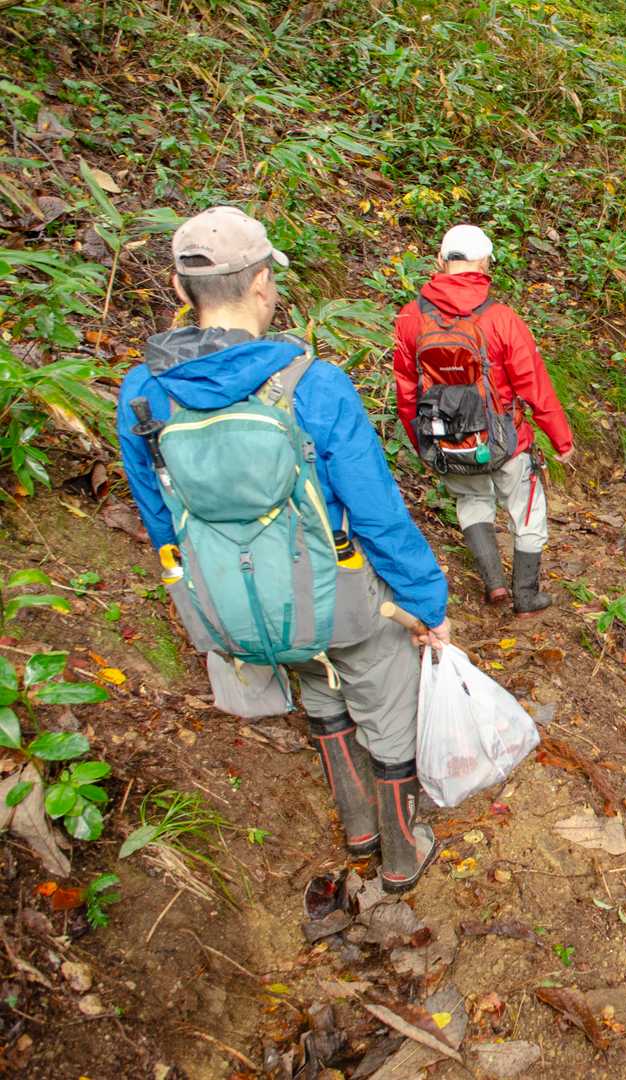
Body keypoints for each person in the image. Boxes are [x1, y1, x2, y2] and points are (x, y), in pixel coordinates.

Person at [117, 206, 449, 892]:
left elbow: (160, 516)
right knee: (385, 696)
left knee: (313, 675)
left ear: (181, 290)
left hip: (240, 604)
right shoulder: (311, 385)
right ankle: (399, 854)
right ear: (263, 283)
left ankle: (357, 827)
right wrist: (425, 600)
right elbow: (378, 513)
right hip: (338, 596)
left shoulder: (143, 395)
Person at [393, 224, 574, 617]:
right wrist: (561, 439)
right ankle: (526, 596)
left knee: (472, 500)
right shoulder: (501, 319)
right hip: (505, 440)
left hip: (447, 440)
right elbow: (534, 384)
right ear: (485, 264)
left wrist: (422, 444)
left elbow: (406, 392)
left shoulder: (410, 317)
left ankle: (494, 584)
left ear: (441, 261)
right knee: (527, 510)